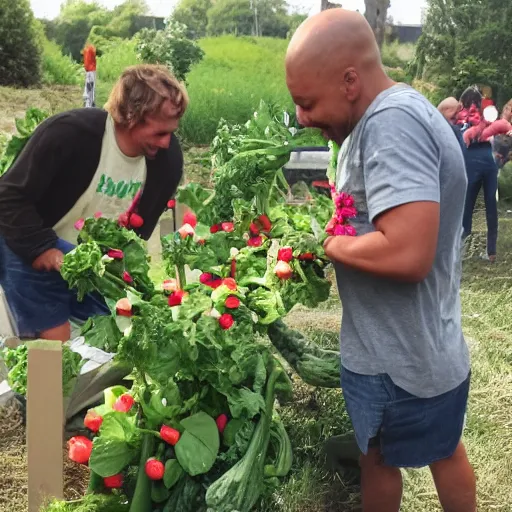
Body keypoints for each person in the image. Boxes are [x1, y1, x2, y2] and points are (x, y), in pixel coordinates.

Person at [286, 8, 475, 512]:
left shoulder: (391, 124)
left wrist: (327, 244)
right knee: (399, 456)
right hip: (412, 347)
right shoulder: (385, 116)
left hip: (403, 361)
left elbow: (407, 250)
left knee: (418, 455)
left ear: (350, 80)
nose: (302, 117)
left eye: (307, 102)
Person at [0, 64, 187, 342]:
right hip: (31, 239)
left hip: (93, 261)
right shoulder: (70, 133)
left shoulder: (167, 162)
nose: (166, 142)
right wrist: (43, 249)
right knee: (53, 347)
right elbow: (9, 197)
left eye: (171, 132)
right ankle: (41, 382)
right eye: (159, 133)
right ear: (131, 117)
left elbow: (135, 235)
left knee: (115, 335)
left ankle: (78, 382)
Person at [459, 86, 499, 263]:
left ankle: (461, 248)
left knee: (467, 205)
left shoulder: (462, 116)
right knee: (491, 207)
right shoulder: (488, 115)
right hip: (490, 162)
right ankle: (491, 251)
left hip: (470, 161)